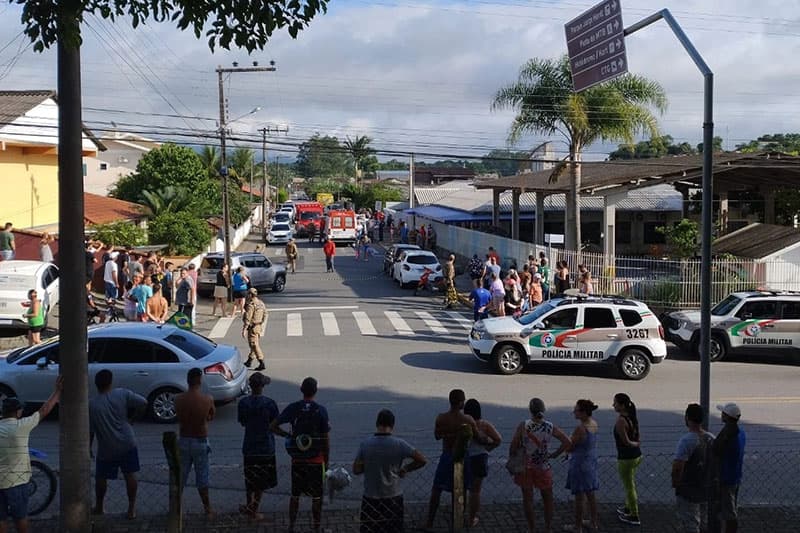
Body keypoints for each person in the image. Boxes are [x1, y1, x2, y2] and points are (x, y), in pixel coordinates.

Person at [0, 377, 62, 532]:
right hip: (17, 483)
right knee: (20, 517)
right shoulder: (22, 425)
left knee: (1, 519)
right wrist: (57, 391)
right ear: (18, 412)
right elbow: (44, 410)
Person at [270, 377, 331, 533]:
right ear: (315, 391)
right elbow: (325, 439)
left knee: (295, 494)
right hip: (317, 460)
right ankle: (316, 527)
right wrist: (327, 460)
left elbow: (273, 426)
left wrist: (287, 436)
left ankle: (291, 526)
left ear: (301, 390)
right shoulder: (321, 410)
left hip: (298, 460)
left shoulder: (294, 408)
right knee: (317, 497)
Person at [353, 409, 428, 533]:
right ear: (392, 426)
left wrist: (369, 466)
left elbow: (356, 469)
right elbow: (422, 460)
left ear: (377, 424)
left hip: (371, 496)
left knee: (369, 528)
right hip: (393, 496)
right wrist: (405, 468)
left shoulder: (365, 444)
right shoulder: (400, 444)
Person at [88, 369, 148, 520]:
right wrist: (133, 418)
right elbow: (143, 403)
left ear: (96, 384)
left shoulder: (92, 405)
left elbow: (91, 431)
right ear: (111, 382)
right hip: (127, 442)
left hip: (107, 447)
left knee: (101, 477)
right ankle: (131, 508)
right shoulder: (122, 393)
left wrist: (88, 447)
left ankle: (99, 507)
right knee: (130, 474)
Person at [423, 389, 486, 530]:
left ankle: (429, 522)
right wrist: (488, 439)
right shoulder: (468, 420)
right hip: (462, 457)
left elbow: (437, 436)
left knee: (437, 488)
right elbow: (478, 437)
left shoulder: (441, 418)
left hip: (447, 454)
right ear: (461, 402)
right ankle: (458, 519)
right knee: (460, 489)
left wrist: (449, 433)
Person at [510, 398, 570, 533]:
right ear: (543, 410)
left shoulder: (523, 425)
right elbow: (567, 441)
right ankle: (547, 528)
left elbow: (513, 446)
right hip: (543, 466)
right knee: (548, 499)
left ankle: (531, 528)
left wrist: (514, 459)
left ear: (530, 410)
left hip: (526, 467)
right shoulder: (549, 426)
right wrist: (554, 454)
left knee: (528, 499)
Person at [237, 373, 280, 521]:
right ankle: (254, 509)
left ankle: (250, 504)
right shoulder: (270, 403)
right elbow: (275, 425)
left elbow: (242, 422)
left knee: (249, 478)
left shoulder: (243, 403)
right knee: (261, 481)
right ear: (262, 387)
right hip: (265, 447)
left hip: (249, 446)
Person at [175, 368, 216, 518]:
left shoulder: (178, 399)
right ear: (200, 380)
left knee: (180, 477)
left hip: (184, 439)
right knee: (202, 477)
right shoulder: (207, 399)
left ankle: (176, 508)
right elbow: (211, 416)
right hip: (200, 439)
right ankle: (207, 509)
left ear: (187, 380)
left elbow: (179, 416)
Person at [672, 403, 715, 533]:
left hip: (688, 490)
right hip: (706, 487)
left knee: (690, 523)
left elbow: (678, 466)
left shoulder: (686, 441)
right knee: (704, 522)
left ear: (687, 418)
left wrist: (676, 483)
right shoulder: (711, 438)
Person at [463, 399, 502, 528]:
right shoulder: (485, 425)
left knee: (461, 487)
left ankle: (460, 512)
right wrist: (488, 448)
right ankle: (471, 518)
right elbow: (498, 439)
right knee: (475, 491)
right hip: (479, 457)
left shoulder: (463, 423)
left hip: (464, 457)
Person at [565, 399, 600, 532]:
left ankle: (578, 526)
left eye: (577, 410)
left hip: (579, 463)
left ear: (584, 412)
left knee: (579, 497)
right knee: (590, 494)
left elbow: (569, 446)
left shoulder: (580, 428)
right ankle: (593, 522)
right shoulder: (594, 424)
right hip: (590, 461)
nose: (574, 411)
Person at [713, 403, 746, 533]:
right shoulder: (740, 433)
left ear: (727, 416)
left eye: (723, 413)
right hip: (735, 476)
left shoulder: (728, 435)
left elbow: (716, 448)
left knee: (729, 512)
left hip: (727, 478)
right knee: (729, 508)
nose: (721, 415)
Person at [613, 393, 642, 526]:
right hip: (636, 456)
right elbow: (637, 436)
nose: (613, 405)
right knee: (630, 482)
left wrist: (634, 443)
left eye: (615, 403)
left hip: (626, 458)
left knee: (629, 486)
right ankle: (628, 507)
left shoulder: (621, 421)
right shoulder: (631, 417)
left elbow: (625, 441)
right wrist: (637, 444)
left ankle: (634, 515)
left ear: (622, 405)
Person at [242, 288, 267, 371]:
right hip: (258, 326)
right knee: (254, 343)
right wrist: (261, 323)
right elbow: (265, 314)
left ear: (250, 295)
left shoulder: (251, 305)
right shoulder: (261, 303)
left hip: (252, 327)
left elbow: (248, 317)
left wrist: (244, 329)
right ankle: (249, 360)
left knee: (254, 345)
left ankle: (261, 362)